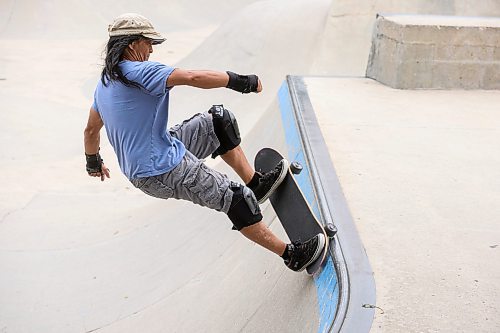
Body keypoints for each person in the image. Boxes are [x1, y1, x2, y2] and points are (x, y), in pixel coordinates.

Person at [83, 13, 325, 272]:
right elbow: (193, 78)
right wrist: (241, 81)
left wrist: (93, 162)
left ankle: (257, 184)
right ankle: (292, 255)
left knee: (217, 123)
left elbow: (90, 130)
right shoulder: (141, 71)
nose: (152, 49)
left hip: (159, 151)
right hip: (162, 170)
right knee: (236, 199)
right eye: (148, 42)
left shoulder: (105, 83)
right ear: (132, 44)